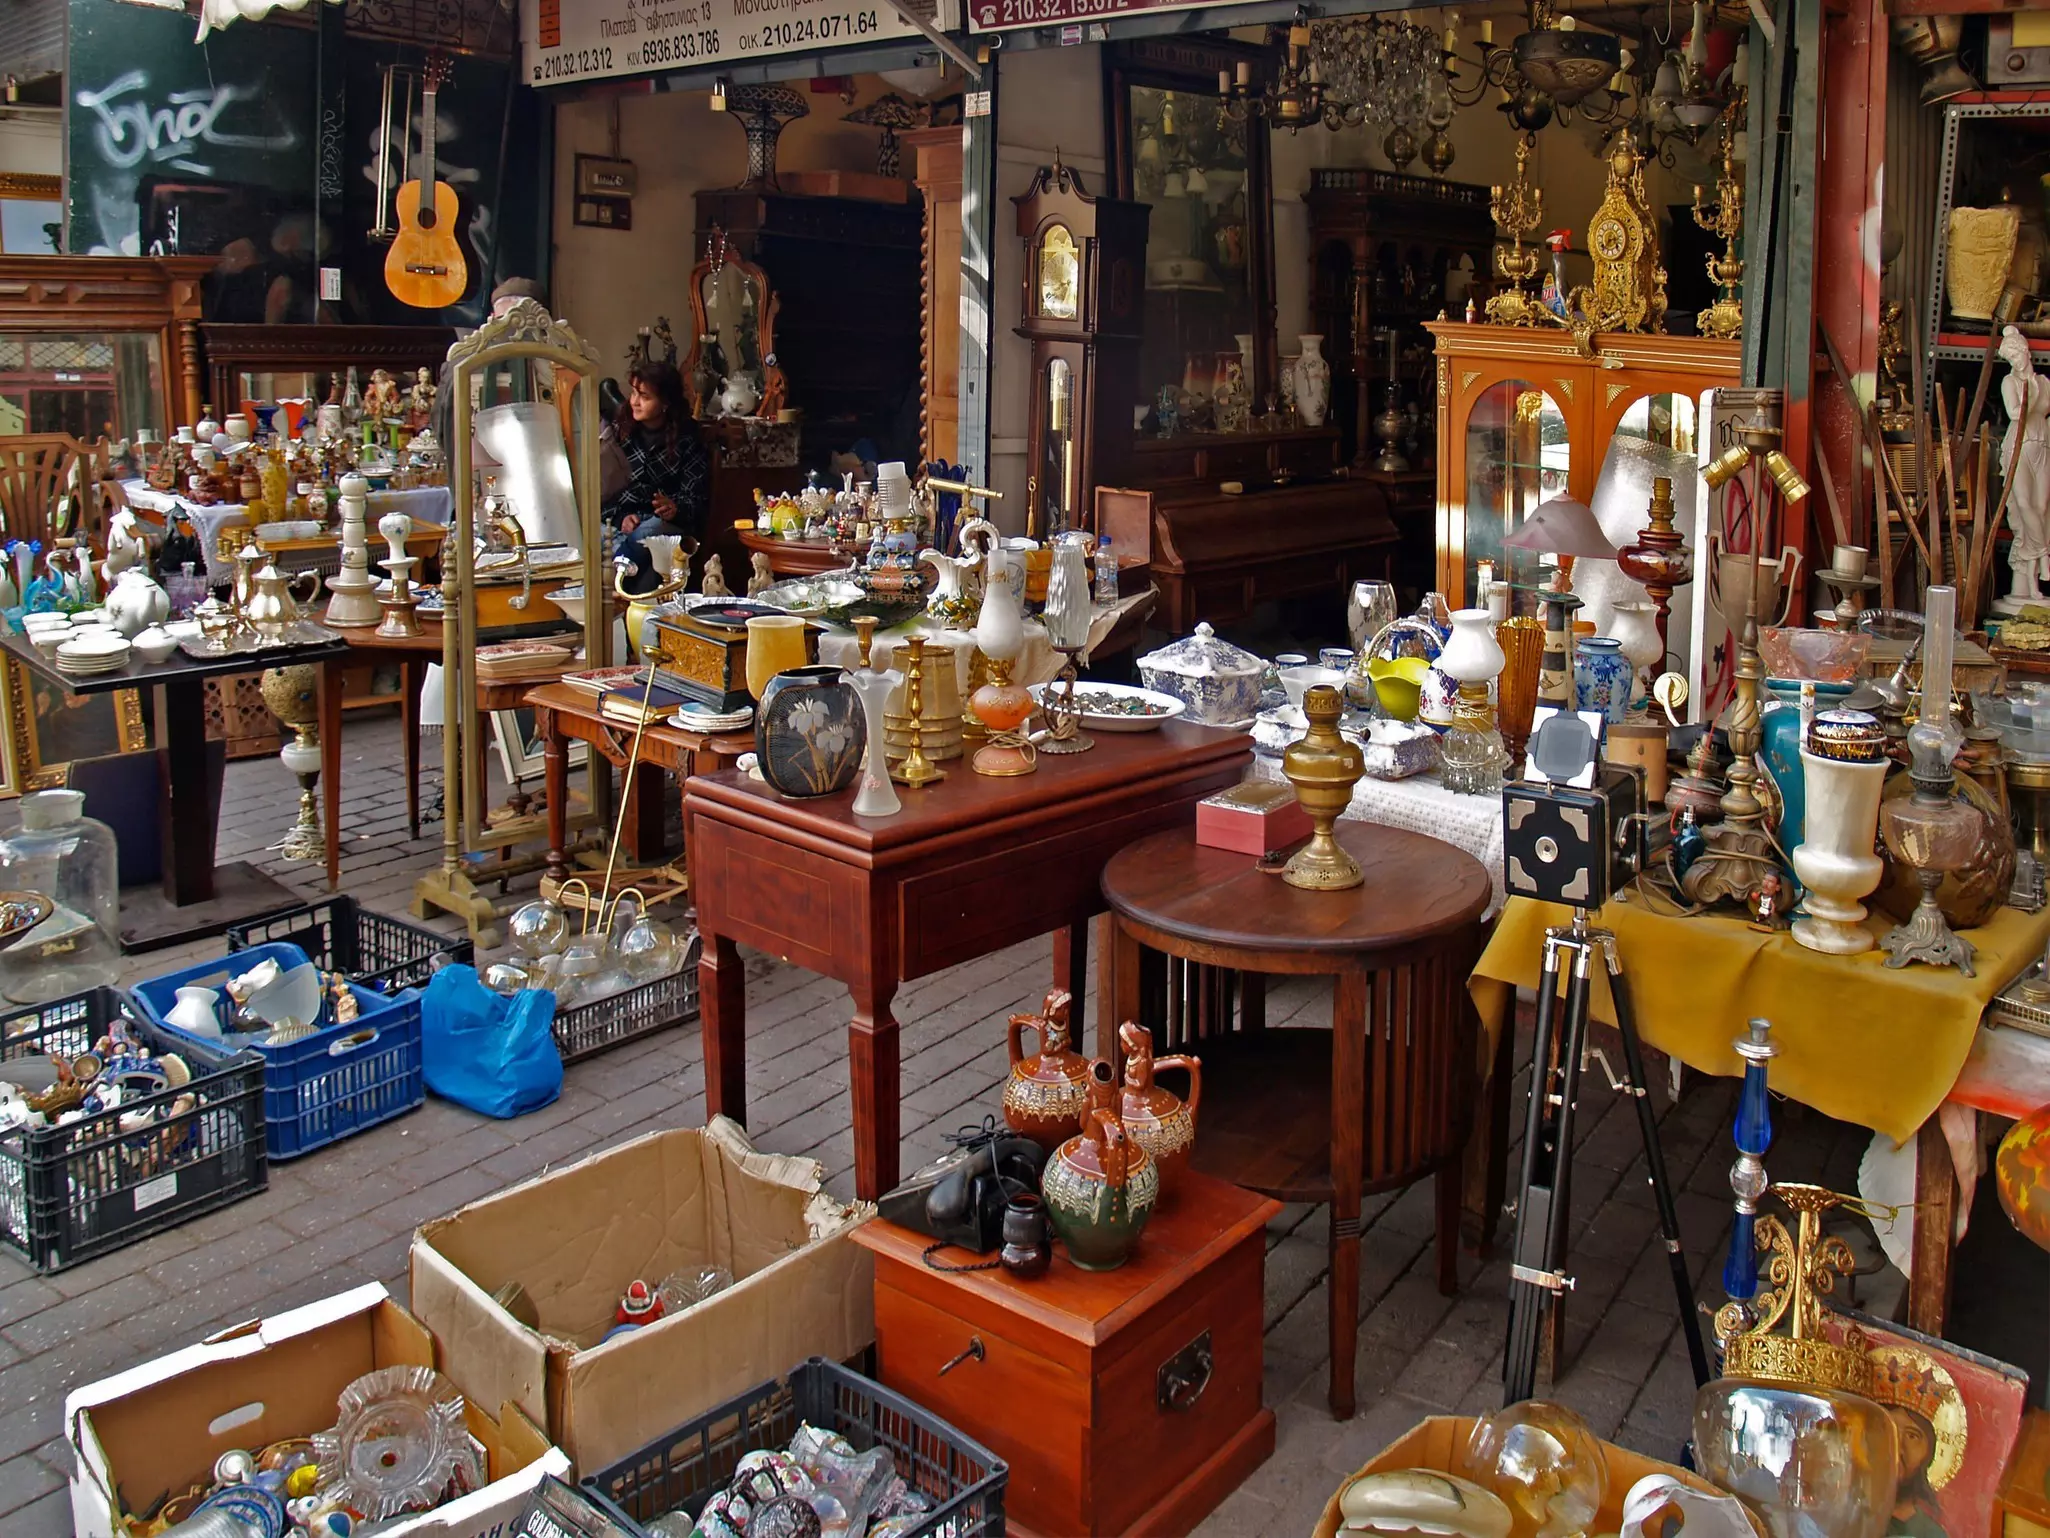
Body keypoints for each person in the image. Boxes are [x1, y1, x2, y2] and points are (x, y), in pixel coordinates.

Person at [605, 359, 709, 594]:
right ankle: (627, 595)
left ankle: (615, 573)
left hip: (666, 527)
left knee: (649, 535)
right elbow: (603, 492)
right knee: (604, 536)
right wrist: (623, 515)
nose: (634, 401)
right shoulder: (619, 430)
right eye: (633, 392)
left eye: (644, 396)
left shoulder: (688, 438)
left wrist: (675, 508)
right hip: (625, 524)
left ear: (664, 403)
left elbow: (698, 500)